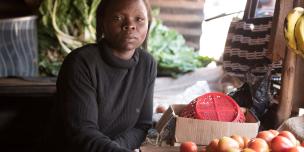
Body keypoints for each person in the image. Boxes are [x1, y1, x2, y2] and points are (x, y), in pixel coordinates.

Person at [44, 0, 156, 151]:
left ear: (148, 23)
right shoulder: (80, 63)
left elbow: (143, 126)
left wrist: (118, 148)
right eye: (117, 18)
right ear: (102, 22)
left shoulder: (147, 64)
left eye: (139, 19)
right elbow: (83, 134)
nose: (130, 25)